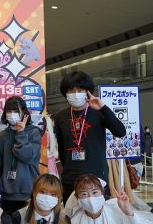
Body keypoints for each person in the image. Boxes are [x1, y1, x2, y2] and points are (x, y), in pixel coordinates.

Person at [53, 72, 126, 201]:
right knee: (72, 213)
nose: (75, 94)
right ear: (65, 93)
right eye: (71, 90)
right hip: (70, 179)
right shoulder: (60, 117)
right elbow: (62, 147)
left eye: (80, 90)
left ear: (87, 92)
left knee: (98, 212)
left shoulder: (99, 112)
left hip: (97, 178)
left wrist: (103, 108)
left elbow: (120, 132)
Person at [0, 96, 42, 213]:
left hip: (28, 192)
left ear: (24, 112)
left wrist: (20, 133)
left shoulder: (34, 132)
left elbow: (27, 156)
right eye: (9, 111)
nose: (12, 114)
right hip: (6, 194)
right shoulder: (2, 135)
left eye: (15, 111)